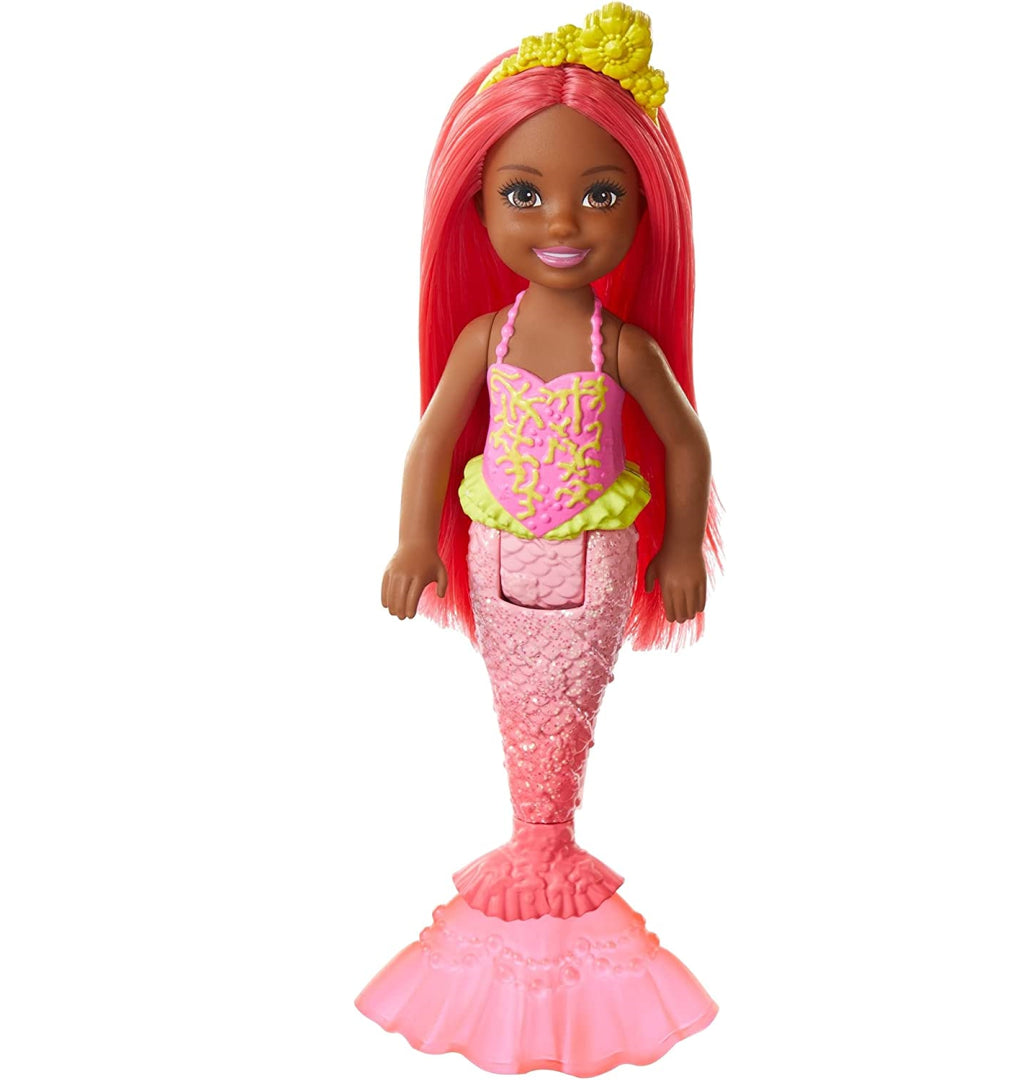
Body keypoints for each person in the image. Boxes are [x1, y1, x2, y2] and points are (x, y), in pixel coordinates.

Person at [357, 6, 722, 1074]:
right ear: (476, 204)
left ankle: (548, 848)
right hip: (498, 561)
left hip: (596, 568)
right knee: (519, 721)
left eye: (600, 194)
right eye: (524, 194)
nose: (562, 220)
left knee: (562, 723)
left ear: (645, 207)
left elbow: (687, 445)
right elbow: (433, 441)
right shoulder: (487, 337)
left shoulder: (626, 345)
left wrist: (681, 549)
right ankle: (534, 849)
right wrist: (414, 543)